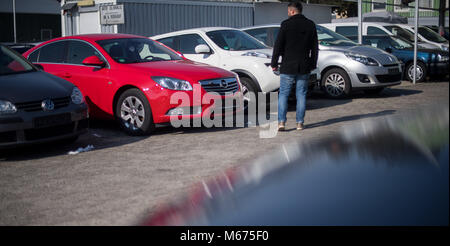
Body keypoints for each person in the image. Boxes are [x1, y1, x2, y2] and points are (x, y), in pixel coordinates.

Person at [271, 1, 318, 131]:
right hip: (304, 65)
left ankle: (281, 122)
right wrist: (313, 63)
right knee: (301, 94)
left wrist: (274, 63)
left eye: (288, 11)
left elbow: (278, 45)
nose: (287, 14)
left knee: (284, 94)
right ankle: (299, 123)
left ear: (292, 11)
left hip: (287, 65)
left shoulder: (286, 24)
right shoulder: (310, 25)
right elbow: (315, 48)